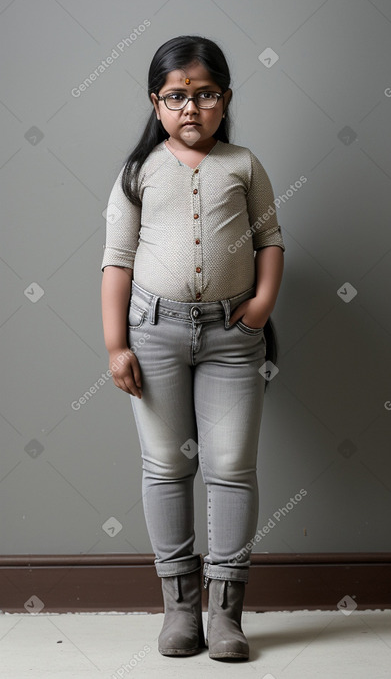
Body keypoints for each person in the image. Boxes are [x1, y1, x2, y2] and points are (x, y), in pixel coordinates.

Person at [101, 35, 285, 661]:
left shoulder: (243, 164)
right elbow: (116, 262)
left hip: (233, 339)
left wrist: (260, 306)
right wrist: (114, 344)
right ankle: (180, 611)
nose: (190, 109)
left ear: (224, 99)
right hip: (152, 334)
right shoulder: (138, 173)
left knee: (231, 466)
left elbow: (269, 240)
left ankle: (226, 614)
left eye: (205, 95)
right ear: (156, 104)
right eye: (176, 97)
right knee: (166, 464)